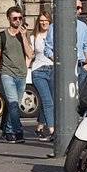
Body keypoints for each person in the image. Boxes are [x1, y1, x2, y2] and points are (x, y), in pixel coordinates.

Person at [0, 5, 33, 144]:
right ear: (8, 19)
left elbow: (30, 54)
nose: (18, 21)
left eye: (20, 18)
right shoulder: (1, 36)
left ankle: (8, 130)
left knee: (15, 105)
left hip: (21, 74)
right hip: (7, 74)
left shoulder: (24, 35)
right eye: (15, 18)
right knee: (12, 104)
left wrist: (24, 36)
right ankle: (18, 132)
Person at [31, 13, 54, 142]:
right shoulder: (34, 37)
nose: (44, 23)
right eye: (41, 21)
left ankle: (39, 127)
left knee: (50, 102)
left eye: (46, 20)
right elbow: (30, 55)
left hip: (53, 70)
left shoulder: (55, 35)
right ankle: (52, 130)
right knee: (47, 102)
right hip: (39, 71)